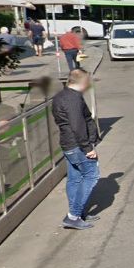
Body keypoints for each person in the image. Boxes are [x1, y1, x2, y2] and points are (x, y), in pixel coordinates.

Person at [52, 68, 101, 229]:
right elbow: (78, 125)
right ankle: (73, 215)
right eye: (88, 80)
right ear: (81, 81)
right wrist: (88, 148)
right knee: (92, 176)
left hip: (68, 143)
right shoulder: (72, 100)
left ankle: (77, 213)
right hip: (77, 145)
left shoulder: (62, 96)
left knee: (74, 179)